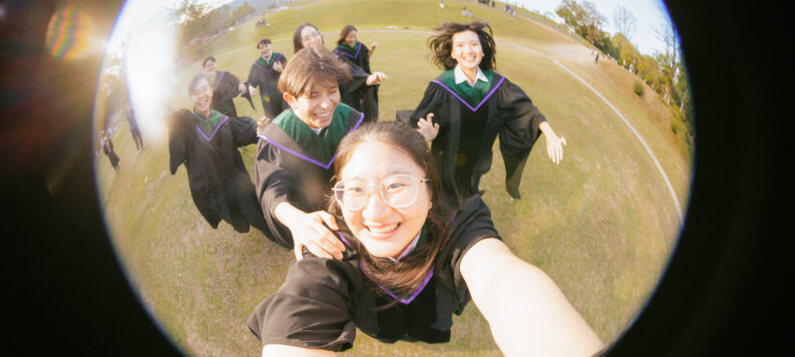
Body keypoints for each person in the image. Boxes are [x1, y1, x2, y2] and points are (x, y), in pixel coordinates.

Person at [246, 120, 602, 356]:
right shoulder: (330, 244)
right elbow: (301, 305)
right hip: (378, 321)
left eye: (396, 185)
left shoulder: (459, 221)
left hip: (428, 315)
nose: (375, 214)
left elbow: (499, 278)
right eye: (355, 189)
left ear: (430, 191)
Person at [405, 21, 567, 204]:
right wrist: (426, 136)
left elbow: (524, 109)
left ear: (482, 51)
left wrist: (549, 133)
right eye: (460, 45)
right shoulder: (441, 87)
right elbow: (415, 126)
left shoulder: (497, 86)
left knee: (465, 205)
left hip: (474, 171)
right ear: (453, 53)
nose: (468, 50)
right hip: (443, 170)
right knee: (442, 209)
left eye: (474, 44)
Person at [253, 46, 363, 257]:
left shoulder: (351, 119)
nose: (326, 104)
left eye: (332, 91)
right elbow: (273, 192)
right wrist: (296, 219)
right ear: (291, 99)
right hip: (317, 226)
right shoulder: (276, 139)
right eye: (313, 96)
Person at [167, 72, 268, 234]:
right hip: (216, 191)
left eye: (204, 89)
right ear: (191, 98)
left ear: (211, 91)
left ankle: (275, 233)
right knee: (237, 219)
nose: (202, 95)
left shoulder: (223, 122)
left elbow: (246, 132)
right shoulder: (187, 127)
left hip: (237, 182)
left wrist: (259, 132)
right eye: (196, 92)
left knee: (255, 214)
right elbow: (172, 126)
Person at [334, 24, 382, 121]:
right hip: (350, 87)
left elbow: (366, 58)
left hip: (363, 82)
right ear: (344, 37)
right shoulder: (338, 53)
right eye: (350, 37)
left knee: (366, 109)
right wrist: (367, 78)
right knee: (352, 114)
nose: (353, 39)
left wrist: (372, 49)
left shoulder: (359, 46)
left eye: (355, 36)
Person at [247, 38, 289, 118]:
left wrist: (281, 70)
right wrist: (250, 87)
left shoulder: (279, 57)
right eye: (261, 48)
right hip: (268, 99)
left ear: (271, 46)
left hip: (282, 94)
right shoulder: (257, 65)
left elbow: (290, 75)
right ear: (259, 50)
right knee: (273, 119)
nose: (264, 49)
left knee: (287, 115)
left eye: (266, 46)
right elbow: (251, 81)